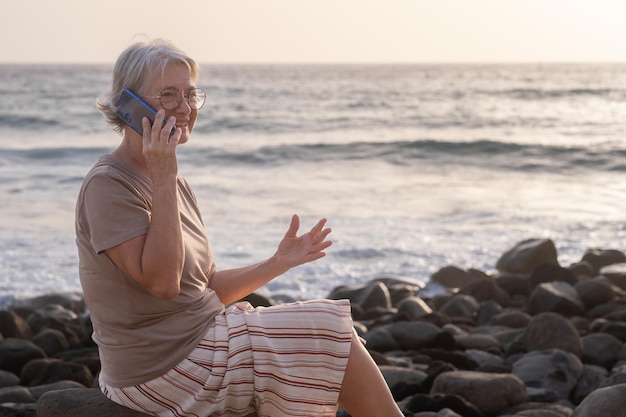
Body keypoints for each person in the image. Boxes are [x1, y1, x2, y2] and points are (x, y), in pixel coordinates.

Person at [75, 38, 404, 417]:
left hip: (199, 339)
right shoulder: (109, 184)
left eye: (190, 95)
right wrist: (164, 177)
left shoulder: (172, 181)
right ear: (130, 106)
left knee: (331, 336)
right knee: (327, 330)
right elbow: (163, 285)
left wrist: (278, 262)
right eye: (168, 96)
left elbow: (205, 288)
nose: (185, 109)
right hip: (159, 368)